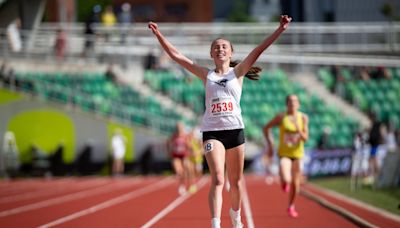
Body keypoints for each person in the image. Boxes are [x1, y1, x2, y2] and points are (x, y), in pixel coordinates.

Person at [148, 15, 291, 228]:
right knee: (217, 179)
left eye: (224, 46)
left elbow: (259, 49)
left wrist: (280, 29)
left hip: (235, 131)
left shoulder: (238, 72)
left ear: (231, 52)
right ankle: (215, 224)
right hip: (213, 132)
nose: (220, 49)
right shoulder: (206, 75)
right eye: (216, 47)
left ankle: (236, 216)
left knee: (236, 182)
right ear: (211, 54)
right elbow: (177, 56)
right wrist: (159, 35)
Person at [262, 94, 309, 218]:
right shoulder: (281, 117)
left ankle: (291, 206)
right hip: (284, 154)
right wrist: (270, 144)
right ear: (286, 104)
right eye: (290, 101)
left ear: (298, 104)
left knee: (296, 183)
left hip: (298, 154)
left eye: (295, 101)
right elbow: (266, 128)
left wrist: (299, 129)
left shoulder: (303, 117)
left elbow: (305, 138)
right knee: (287, 179)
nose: (292, 103)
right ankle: (284, 181)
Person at [168, 122, 192, 195]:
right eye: (178, 127)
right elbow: (168, 143)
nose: (179, 129)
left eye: (180, 127)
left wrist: (188, 145)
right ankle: (181, 185)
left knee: (185, 170)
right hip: (175, 155)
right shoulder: (173, 136)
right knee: (179, 171)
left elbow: (189, 146)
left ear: (182, 128)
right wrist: (169, 151)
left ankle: (185, 184)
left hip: (184, 155)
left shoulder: (185, 136)